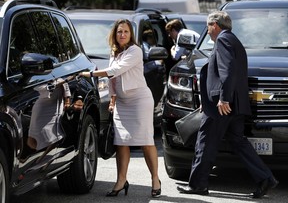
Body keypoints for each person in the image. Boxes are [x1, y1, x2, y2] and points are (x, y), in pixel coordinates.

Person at [176, 11, 278, 198]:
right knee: (238, 142)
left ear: (214, 25)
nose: (207, 31)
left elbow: (227, 71)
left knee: (205, 142)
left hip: (222, 105)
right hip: (234, 104)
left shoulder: (223, 40)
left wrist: (223, 98)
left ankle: (198, 184)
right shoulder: (233, 40)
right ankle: (265, 178)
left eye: (207, 27)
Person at [78, 19, 161, 198]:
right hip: (122, 103)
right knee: (121, 143)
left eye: (125, 32)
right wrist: (112, 100)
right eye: (119, 32)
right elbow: (113, 80)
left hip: (140, 101)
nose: (122, 35)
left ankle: (155, 179)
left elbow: (115, 70)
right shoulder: (115, 51)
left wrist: (90, 74)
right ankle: (121, 181)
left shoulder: (135, 51)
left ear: (131, 34)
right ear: (114, 35)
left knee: (146, 141)